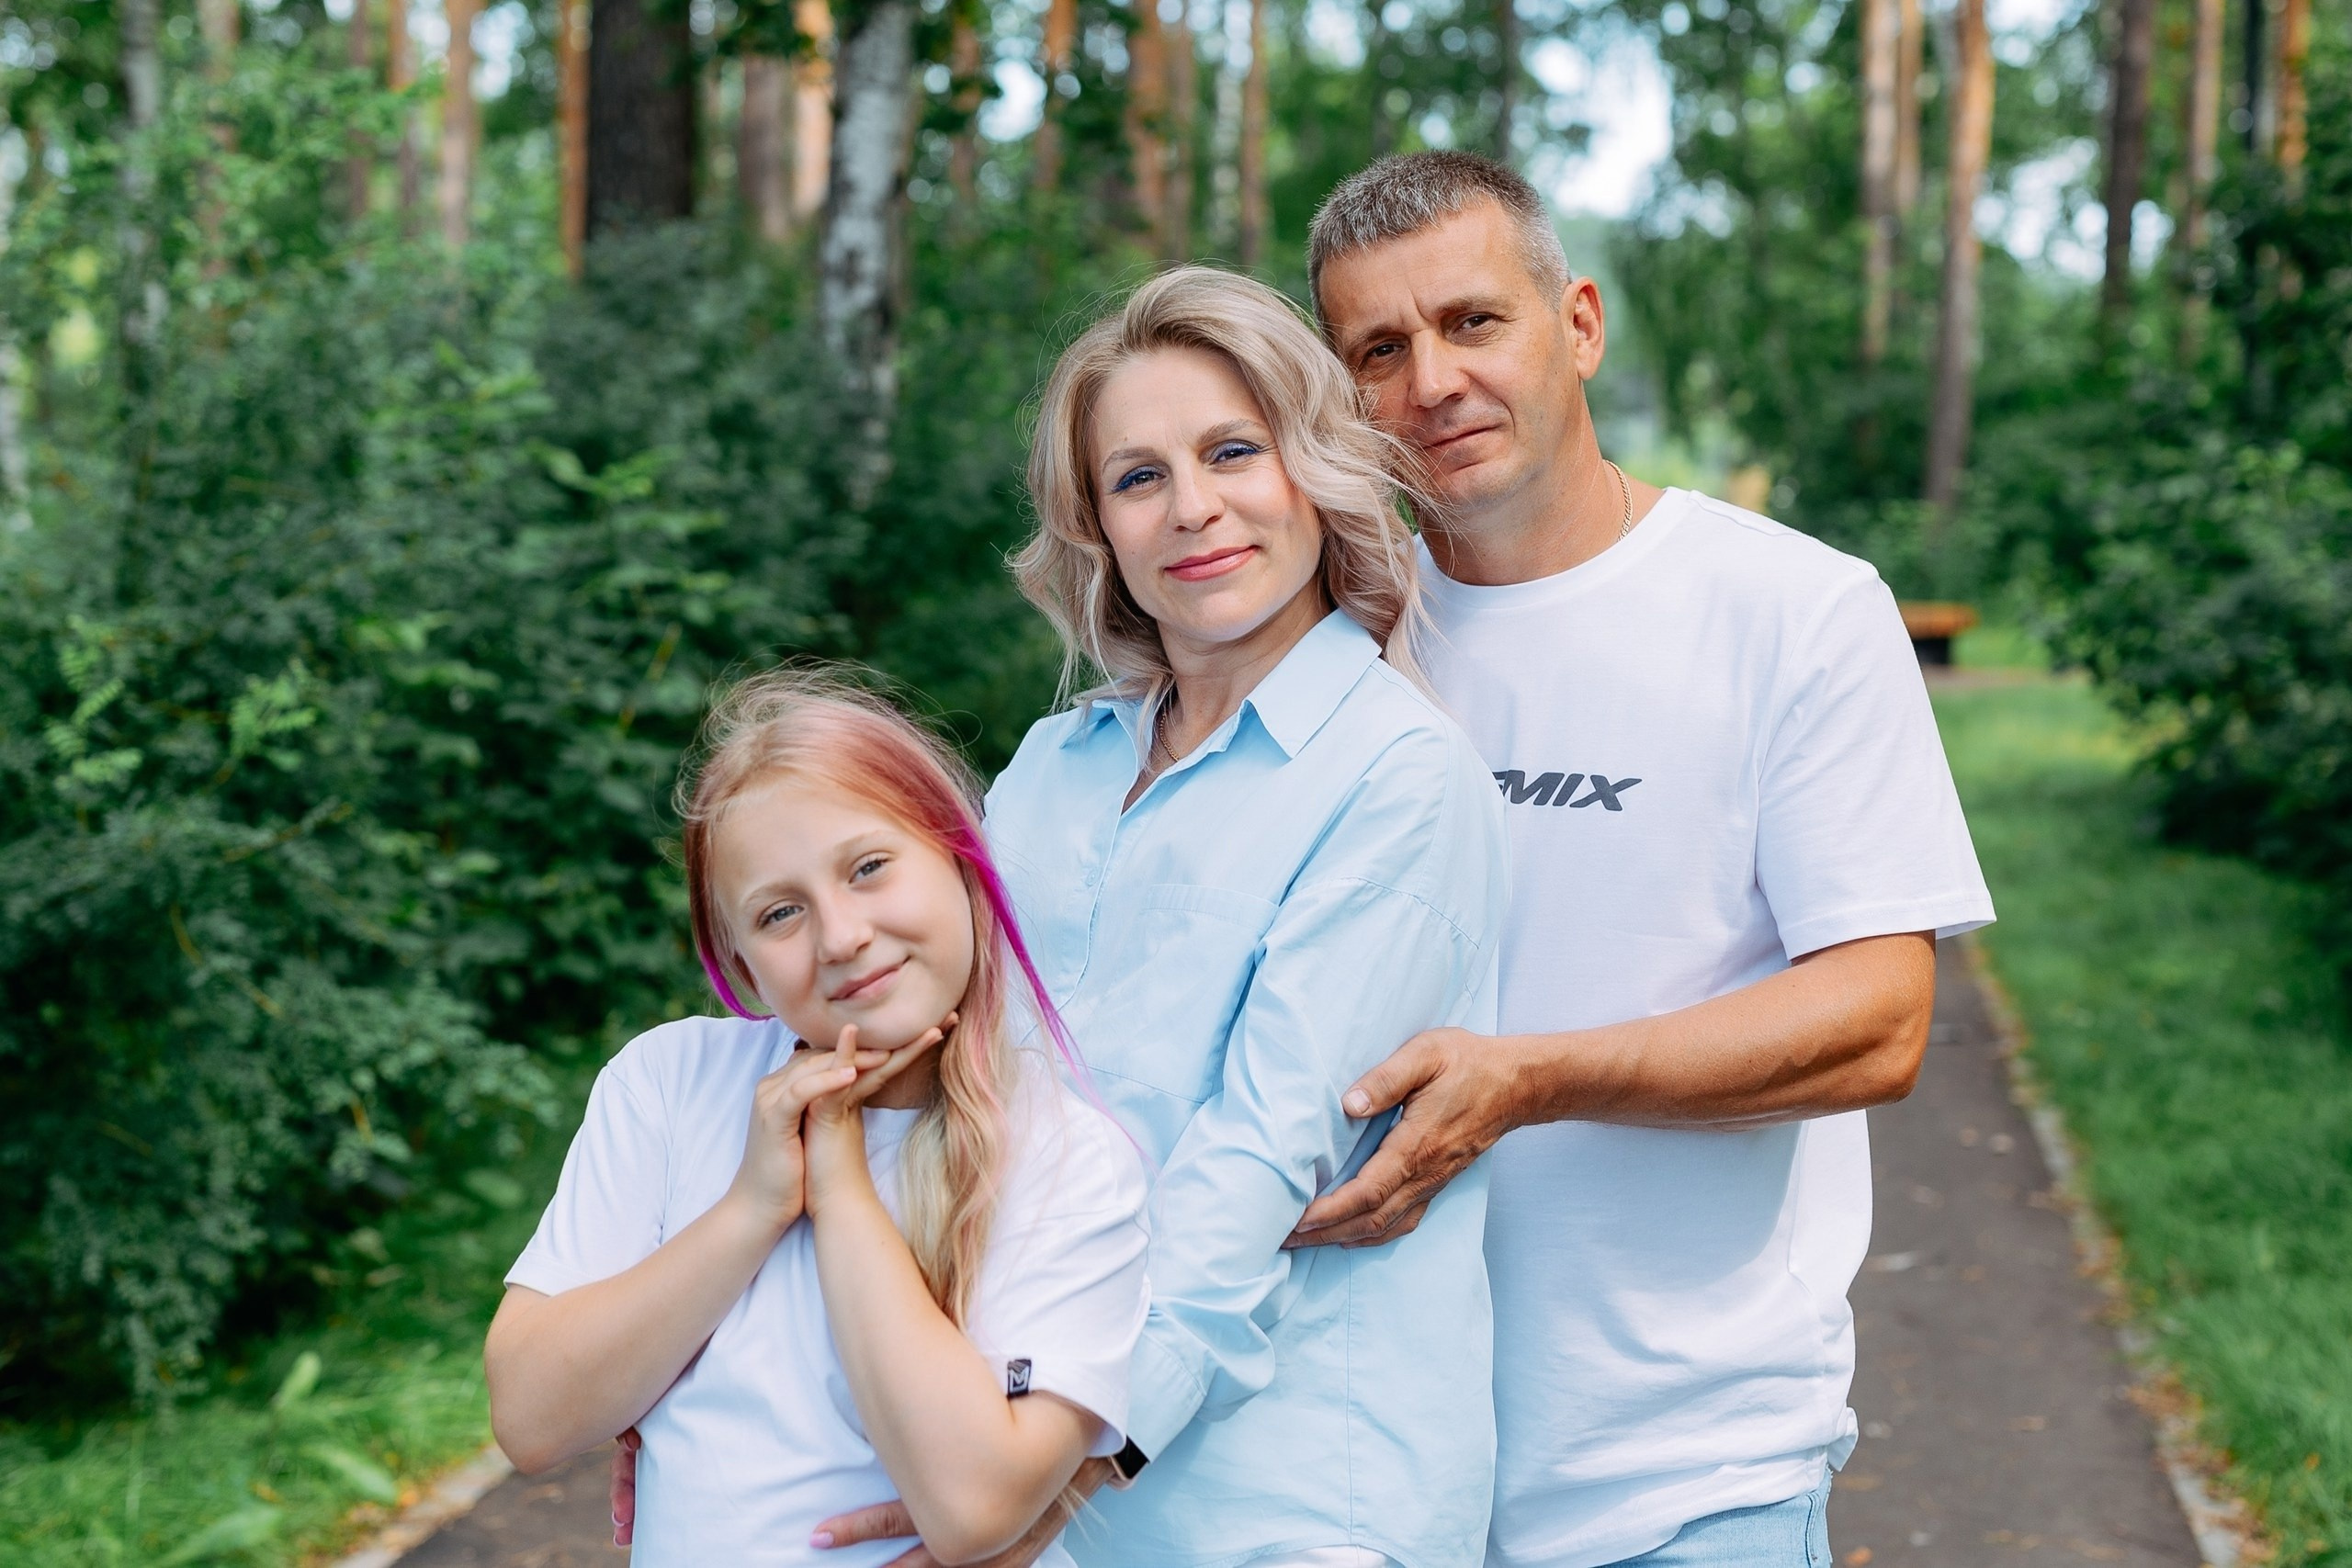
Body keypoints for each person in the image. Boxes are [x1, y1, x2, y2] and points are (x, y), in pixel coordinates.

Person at [1291, 152, 1996, 1568]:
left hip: (1683, 1477)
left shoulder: (1790, 611)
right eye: (1380, 349)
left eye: (1473, 322)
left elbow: (1880, 1016)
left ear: (1581, 326)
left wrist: (1529, 1078)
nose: (1430, 381)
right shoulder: (1319, 646)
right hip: (1355, 1480)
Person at [816, 265, 1510, 1568]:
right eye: (1137, 477)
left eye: (1233, 451)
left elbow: (1258, 1172)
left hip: (1285, 1501)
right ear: (1098, 529)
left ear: (1310, 467)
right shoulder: (1051, 767)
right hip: (1029, 1448)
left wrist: (1054, 1478)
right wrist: (731, 1378)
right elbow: (926, 1081)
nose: (1193, 508)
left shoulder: (1398, 775)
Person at [484, 671, 1150, 1567]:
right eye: (779, 913)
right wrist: (752, 1208)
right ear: (742, 965)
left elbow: (973, 1507)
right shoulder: (670, 1083)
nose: (839, 936)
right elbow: (529, 1417)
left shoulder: (1066, 1157)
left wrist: (838, 1183)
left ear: (961, 859)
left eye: (868, 867)